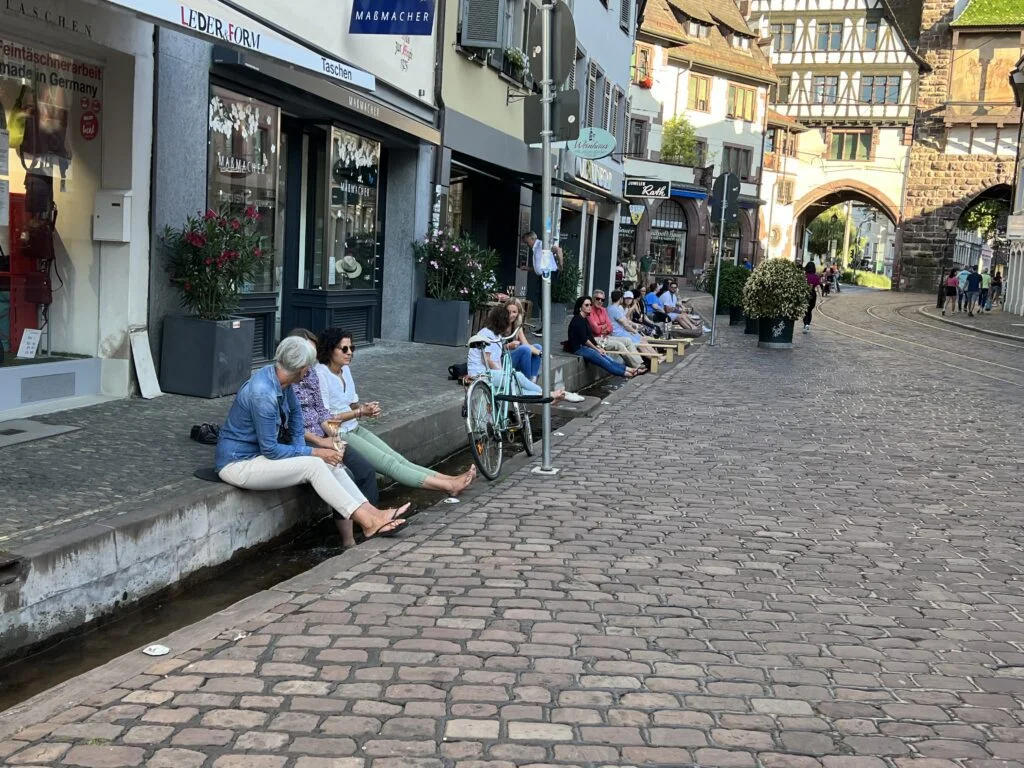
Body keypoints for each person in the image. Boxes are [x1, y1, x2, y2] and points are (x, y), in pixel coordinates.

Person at [215, 337, 410, 541]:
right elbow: (270, 450)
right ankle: (369, 523)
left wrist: (302, 448)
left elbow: (296, 415)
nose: (310, 371)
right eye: (309, 366)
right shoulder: (263, 395)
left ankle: (375, 514)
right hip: (239, 463)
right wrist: (314, 452)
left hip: (259, 456)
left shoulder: (281, 378)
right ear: (300, 368)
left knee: (329, 462)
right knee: (315, 465)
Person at [317, 327, 476, 496]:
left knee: (397, 457)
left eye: (352, 348)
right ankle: (448, 487)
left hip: (354, 427)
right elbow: (326, 418)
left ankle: (449, 480)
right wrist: (359, 413)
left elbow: (352, 404)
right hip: (338, 433)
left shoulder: (345, 369)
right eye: (344, 349)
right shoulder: (321, 374)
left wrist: (367, 409)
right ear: (329, 349)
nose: (349, 353)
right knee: (389, 464)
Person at [290, 329, 377, 549]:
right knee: (343, 474)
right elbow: (291, 425)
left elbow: (322, 413)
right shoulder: (287, 381)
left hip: (324, 435)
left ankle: (372, 520)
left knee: (365, 469)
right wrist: (321, 443)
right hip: (303, 440)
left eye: (312, 351)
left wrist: (335, 438)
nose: (349, 353)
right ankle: (349, 541)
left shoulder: (311, 376)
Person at [469, 304, 569, 403]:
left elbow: (496, 358)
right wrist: (502, 373)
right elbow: (487, 359)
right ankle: (548, 394)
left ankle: (548, 397)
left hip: (490, 373)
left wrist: (502, 373)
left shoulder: (497, 335)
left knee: (516, 389)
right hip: (480, 374)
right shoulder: (487, 333)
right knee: (518, 377)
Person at [501, 299, 584, 401]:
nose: (511, 315)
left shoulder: (517, 326)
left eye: (514, 312)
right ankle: (528, 383)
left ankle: (533, 379)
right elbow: (496, 349)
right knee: (525, 349)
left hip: (513, 358)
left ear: (518, 313)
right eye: (508, 312)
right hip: (503, 361)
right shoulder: (500, 325)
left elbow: (527, 344)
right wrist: (509, 345)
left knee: (537, 347)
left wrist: (542, 353)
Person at [568, 297, 640, 378]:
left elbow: (590, 336)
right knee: (606, 363)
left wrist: (598, 346)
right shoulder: (578, 320)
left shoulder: (584, 319)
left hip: (585, 346)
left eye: (590, 305)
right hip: (579, 348)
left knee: (609, 359)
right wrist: (597, 349)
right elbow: (585, 340)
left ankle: (630, 369)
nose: (589, 307)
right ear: (580, 307)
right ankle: (629, 374)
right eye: (586, 305)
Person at [587, 289, 645, 369]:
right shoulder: (589, 311)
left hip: (605, 336)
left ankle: (639, 362)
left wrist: (603, 327)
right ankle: (636, 366)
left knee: (627, 340)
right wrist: (604, 326)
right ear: (593, 299)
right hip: (595, 339)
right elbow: (596, 330)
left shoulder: (603, 310)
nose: (600, 301)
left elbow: (610, 327)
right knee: (619, 345)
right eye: (597, 299)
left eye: (602, 299)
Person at [522, 231, 563, 337]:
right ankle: (544, 327)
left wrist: (560, 266)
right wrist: (529, 269)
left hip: (548, 274)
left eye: (527, 242)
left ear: (532, 239)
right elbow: (540, 265)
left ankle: (545, 329)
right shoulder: (535, 248)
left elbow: (558, 250)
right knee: (541, 299)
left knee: (544, 299)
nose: (527, 244)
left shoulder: (542, 244)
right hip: (543, 275)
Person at [608, 290, 664, 360]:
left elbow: (626, 321)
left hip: (621, 332)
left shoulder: (611, 308)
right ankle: (655, 360)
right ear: (620, 299)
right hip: (619, 333)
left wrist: (634, 328)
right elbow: (626, 325)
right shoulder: (616, 309)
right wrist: (634, 331)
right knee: (640, 344)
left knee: (642, 340)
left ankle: (658, 356)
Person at [803, 262, 821, 333]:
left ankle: (805, 323)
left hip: (805, 294)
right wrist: (821, 297)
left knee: (805, 310)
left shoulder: (804, 276)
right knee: (809, 310)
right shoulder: (816, 277)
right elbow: (818, 287)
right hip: (813, 294)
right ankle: (807, 324)